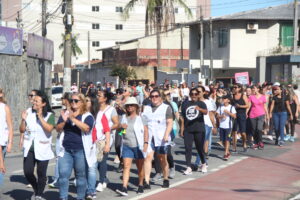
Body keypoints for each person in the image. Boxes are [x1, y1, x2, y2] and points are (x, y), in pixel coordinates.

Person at [56, 93, 95, 200]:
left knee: (80, 177)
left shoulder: (87, 115)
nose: (73, 102)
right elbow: (58, 129)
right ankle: (63, 197)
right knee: (63, 176)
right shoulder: (65, 113)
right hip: (66, 150)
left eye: (76, 101)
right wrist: (64, 120)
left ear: (82, 102)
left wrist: (72, 118)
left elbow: (86, 128)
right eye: (72, 100)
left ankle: (80, 198)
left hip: (81, 150)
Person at [20, 90, 55, 200]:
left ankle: (39, 194)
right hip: (30, 147)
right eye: (33, 101)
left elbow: (49, 129)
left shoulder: (50, 115)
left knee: (41, 173)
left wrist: (40, 117)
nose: (34, 102)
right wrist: (23, 120)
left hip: (43, 148)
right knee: (28, 171)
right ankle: (36, 189)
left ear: (43, 103)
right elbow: (21, 130)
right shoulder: (28, 112)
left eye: (37, 101)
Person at [116, 97, 149, 196]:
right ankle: (124, 187)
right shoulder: (124, 118)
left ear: (136, 107)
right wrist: (121, 128)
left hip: (137, 146)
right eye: (128, 105)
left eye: (131, 105)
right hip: (126, 145)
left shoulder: (141, 118)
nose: (129, 107)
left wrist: (146, 143)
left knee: (140, 167)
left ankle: (140, 184)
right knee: (126, 166)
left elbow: (146, 131)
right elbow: (122, 133)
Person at [142, 89, 173, 188]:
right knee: (148, 158)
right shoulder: (146, 108)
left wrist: (166, 134)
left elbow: (170, 122)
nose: (154, 98)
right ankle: (146, 181)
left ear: (160, 97)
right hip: (149, 137)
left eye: (156, 96)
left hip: (161, 138)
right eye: (152, 96)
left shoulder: (166, 107)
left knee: (162, 159)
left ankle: (165, 178)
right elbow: (143, 122)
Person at [95, 90, 119, 192]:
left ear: (105, 99)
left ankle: (101, 181)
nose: (97, 97)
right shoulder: (95, 109)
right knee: (96, 161)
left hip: (107, 138)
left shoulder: (111, 109)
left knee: (103, 160)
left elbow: (117, 123)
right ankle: (104, 177)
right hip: (95, 138)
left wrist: (107, 129)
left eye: (99, 95)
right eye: (97, 95)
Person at [180, 88, 208, 174]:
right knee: (188, 148)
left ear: (199, 94)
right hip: (188, 129)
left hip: (199, 128)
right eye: (192, 94)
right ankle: (188, 167)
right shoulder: (185, 104)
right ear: (190, 95)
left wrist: (200, 109)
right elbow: (182, 117)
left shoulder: (201, 103)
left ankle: (203, 163)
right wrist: (182, 129)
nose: (194, 96)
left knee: (199, 147)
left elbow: (206, 112)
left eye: (196, 94)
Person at [48, 92, 72, 189]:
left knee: (62, 159)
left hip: (66, 138)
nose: (61, 100)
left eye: (63, 98)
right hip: (61, 137)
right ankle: (58, 179)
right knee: (60, 158)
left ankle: (58, 180)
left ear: (67, 100)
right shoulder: (63, 111)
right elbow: (58, 126)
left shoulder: (71, 112)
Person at [85, 94, 102, 200]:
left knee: (92, 169)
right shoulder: (81, 114)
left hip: (94, 145)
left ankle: (91, 191)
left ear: (92, 104)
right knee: (83, 170)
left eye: (87, 101)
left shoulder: (100, 115)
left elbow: (107, 129)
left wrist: (108, 144)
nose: (84, 102)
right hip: (82, 145)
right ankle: (85, 189)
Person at [216, 95, 237, 160]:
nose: (223, 100)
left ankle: (225, 153)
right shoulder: (220, 107)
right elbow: (217, 115)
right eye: (223, 98)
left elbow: (234, 116)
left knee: (227, 140)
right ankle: (227, 151)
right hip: (221, 126)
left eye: (225, 98)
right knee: (222, 141)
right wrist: (221, 116)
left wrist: (228, 112)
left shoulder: (231, 107)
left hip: (228, 126)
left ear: (228, 100)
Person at [248, 85, 269, 149]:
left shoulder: (263, 97)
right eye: (252, 89)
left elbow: (265, 106)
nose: (253, 89)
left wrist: (267, 114)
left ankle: (260, 142)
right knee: (254, 129)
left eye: (254, 88)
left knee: (259, 128)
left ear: (258, 89)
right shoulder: (251, 97)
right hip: (252, 115)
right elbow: (249, 106)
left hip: (261, 114)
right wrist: (246, 113)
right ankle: (256, 142)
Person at [0, 88, 13, 188]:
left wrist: (10, 142)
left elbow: (10, 126)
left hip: (2, 141)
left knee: (0, 166)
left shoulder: (5, 108)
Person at [232, 83, 249, 152]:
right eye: (233, 87)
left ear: (239, 88)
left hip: (242, 114)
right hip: (234, 115)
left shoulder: (243, 96)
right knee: (234, 131)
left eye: (235, 87)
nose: (234, 88)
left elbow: (247, 105)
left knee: (243, 132)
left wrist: (240, 106)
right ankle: (234, 147)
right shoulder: (232, 96)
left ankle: (244, 143)